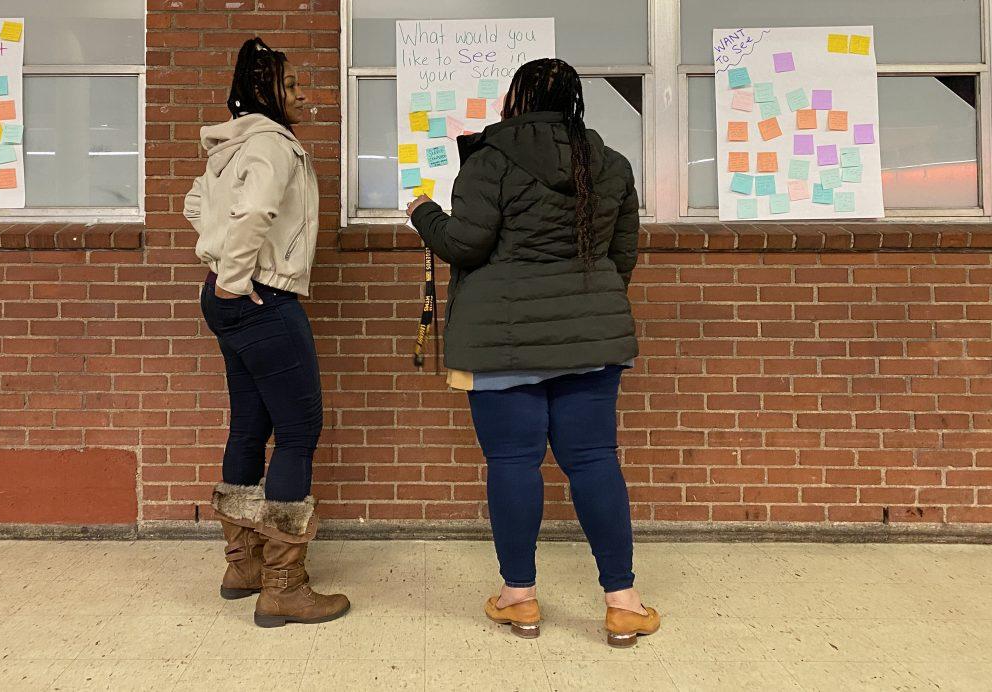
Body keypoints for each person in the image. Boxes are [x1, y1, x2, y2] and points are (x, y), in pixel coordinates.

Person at [407, 58, 659, 647]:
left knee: (513, 463)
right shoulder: (610, 164)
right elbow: (622, 258)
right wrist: (584, 308)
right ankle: (623, 602)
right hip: (590, 342)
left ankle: (518, 598)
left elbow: (465, 244)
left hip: (502, 343)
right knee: (594, 460)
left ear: (515, 100)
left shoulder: (488, 163)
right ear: (574, 102)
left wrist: (423, 213)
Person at [184, 37, 349, 627]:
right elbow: (252, 215)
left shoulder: (227, 148)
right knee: (300, 431)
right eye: (293, 84)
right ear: (265, 90)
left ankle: (244, 564)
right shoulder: (275, 146)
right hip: (261, 296)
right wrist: (235, 275)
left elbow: (194, 206)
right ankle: (284, 585)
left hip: (227, 297)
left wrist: (220, 268)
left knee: (250, 425)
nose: (304, 94)